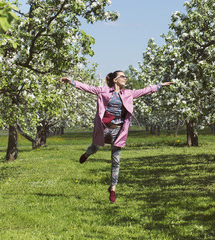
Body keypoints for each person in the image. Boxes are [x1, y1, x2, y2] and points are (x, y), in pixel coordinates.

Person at [60, 70, 173, 203]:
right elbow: (87, 88)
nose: (125, 79)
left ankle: (112, 188)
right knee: (94, 148)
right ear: (115, 80)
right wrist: (71, 82)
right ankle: (86, 154)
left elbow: (145, 90)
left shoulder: (128, 93)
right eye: (122, 77)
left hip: (118, 131)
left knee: (116, 161)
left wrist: (160, 85)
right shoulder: (103, 91)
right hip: (103, 129)